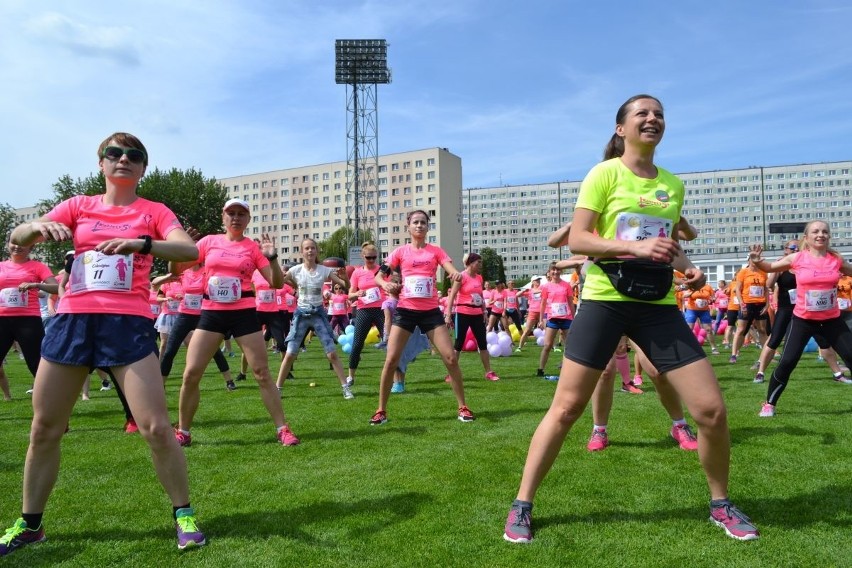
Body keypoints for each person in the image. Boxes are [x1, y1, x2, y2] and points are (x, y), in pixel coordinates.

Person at [502, 95, 758, 545]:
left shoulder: (673, 186)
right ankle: (522, 503)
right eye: (642, 113)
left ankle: (720, 504)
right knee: (565, 409)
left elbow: (668, 243)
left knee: (712, 411)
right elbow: (578, 239)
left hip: (657, 307)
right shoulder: (604, 173)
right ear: (621, 128)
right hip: (604, 301)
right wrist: (635, 249)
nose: (652, 118)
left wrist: (687, 266)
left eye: (658, 113)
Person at [1, 133, 205, 556]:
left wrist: (142, 243)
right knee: (44, 429)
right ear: (102, 163)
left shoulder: (154, 211)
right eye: (114, 154)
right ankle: (30, 524)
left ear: (143, 167)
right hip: (73, 320)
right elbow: (18, 238)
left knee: (156, 428)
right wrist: (35, 226)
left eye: (134, 155)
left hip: (127, 322)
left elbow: (188, 249)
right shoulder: (78, 205)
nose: (123, 160)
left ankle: (183, 515)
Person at [173, 200, 298, 447]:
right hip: (211, 313)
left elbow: (274, 283)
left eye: (241, 214)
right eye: (231, 213)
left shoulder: (252, 248)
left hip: (243, 313)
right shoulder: (209, 242)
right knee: (190, 373)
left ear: (248, 219)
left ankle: (283, 429)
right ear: (223, 217)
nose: (236, 218)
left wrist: (272, 257)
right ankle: (184, 432)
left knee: (262, 373)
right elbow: (175, 267)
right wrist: (181, 247)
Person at [369, 209, 474, 425]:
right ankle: (381, 411)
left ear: (428, 227)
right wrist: (385, 284)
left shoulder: (435, 251)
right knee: (390, 360)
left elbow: (450, 268)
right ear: (408, 226)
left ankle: (463, 407)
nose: (419, 226)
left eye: (423, 223)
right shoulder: (400, 252)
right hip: (406, 311)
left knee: (451, 358)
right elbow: (379, 275)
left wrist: (454, 273)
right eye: (415, 222)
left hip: (430, 312)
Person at [748, 221, 852, 417]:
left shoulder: (836, 259)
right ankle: (769, 403)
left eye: (825, 232)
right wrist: (757, 260)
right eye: (816, 231)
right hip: (803, 319)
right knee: (787, 361)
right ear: (807, 237)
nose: (821, 234)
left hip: (831, 320)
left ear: (829, 236)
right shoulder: (797, 258)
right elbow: (770, 267)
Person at [752, 240, 849, 384]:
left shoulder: (806, 264)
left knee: (823, 342)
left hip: (807, 310)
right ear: (786, 250)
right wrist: (774, 272)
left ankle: (837, 373)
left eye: (796, 247)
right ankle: (760, 372)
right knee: (774, 339)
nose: (794, 249)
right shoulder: (782, 264)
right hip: (786, 308)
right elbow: (769, 285)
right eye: (792, 248)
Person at [274, 238, 352, 397]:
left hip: (318, 315)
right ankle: (277, 389)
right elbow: (278, 282)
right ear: (302, 252)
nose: (310, 251)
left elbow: (346, 286)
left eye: (313, 248)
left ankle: (345, 388)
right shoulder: (296, 270)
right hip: (301, 315)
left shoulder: (324, 270)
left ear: (317, 251)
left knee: (332, 354)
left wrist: (345, 278)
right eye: (306, 248)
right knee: (290, 354)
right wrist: (274, 263)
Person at [158, 266, 237, 391]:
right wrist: (169, 279)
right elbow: (154, 282)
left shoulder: (207, 271)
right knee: (169, 351)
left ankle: (229, 381)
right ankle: (160, 385)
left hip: (203, 316)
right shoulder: (183, 273)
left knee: (214, 351)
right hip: (184, 316)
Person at [0, 240, 58, 394]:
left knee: (37, 364)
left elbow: (57, 287)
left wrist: (37, 285)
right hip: (2, 320)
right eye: (14, 243)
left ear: (31, 247)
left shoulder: (38, 266)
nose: (17, 247)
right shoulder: (1, 266)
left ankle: (51, 405)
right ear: (8, 245)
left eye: (22, 244)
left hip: (28, 321)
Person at [445, 252, 500, 382]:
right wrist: (448, 314)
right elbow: (452, 295)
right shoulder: (461, 277)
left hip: (477, 314)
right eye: (478, 262)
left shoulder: (479, 278)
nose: (480, 265)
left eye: (481, 262)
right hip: (463, 313)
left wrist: (484, 311)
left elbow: (480, 295)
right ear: (470, 263)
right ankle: (451, 374)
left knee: (482, 343)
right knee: (458, 344)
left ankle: (488, 372)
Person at [347, 243, 387, 380]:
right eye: (368, 257)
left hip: (381, 309)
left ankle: (395, 378)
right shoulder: (357, 272)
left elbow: (389, 286)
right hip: (363, 309)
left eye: (374, 258)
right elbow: (349, 294)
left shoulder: (382, 270)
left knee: (389, 342)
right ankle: (351, 376)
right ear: (362, 256)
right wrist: (357, 293)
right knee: (357, 343)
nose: (371, 260)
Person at [535, 262, 576, 379]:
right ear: (549, 272)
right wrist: (541, 319)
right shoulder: (546, 286)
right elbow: (542, 304)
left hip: (566, 318)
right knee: (547, 345)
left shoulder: (566, 285)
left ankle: (568, 368)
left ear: (561, 271)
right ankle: (541, 369)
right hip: (552, 319)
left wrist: (574, 318)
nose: (555, 272)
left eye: (558, 270)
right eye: (553, 270)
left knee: (569, 346)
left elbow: (570, 302)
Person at [729, 258, 769, 364]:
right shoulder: (743, 272)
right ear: (749, 261)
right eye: (753, 259)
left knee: (762, 330)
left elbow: (766, 289)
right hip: (747, 303)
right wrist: (742, 304)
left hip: (760, 303)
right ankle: (734, 354)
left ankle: (765, 355)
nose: (755, 261)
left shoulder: (763, 273)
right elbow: (737, 289)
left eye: (757, 260)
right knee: (741, 329)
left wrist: (767, 304)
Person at [515, 276, 543, 351]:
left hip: (542, 312)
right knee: (527, 330)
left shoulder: (543, 289)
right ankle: (520, 347)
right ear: (532, 282)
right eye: (536, 280)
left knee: (548, 330)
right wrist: (524, 291)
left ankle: (554, 347)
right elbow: (517, 295)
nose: (538, 281)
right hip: (532, 312)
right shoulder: (529, 291)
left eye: (539, 280)